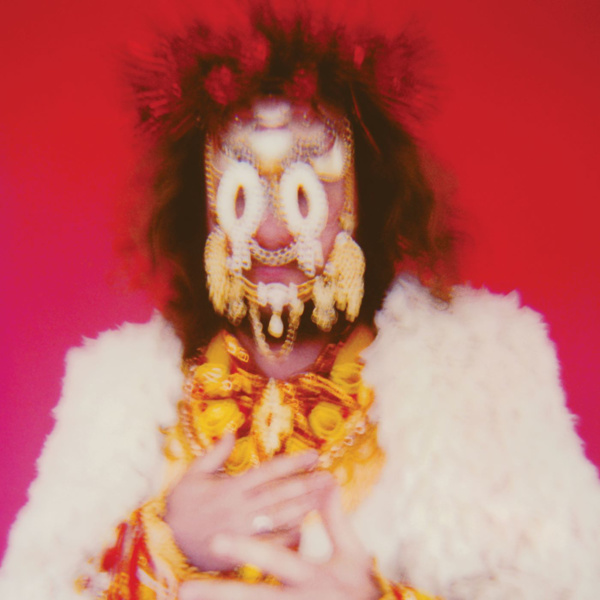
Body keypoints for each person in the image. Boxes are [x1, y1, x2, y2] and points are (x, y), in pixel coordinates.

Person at [2, 2, 600, 599]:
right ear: (202, 205)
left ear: (368, 195)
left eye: (306, 187)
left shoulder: (483, 376)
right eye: (241, 190)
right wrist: (160, 542)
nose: (271, 231)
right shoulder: (115, 392)